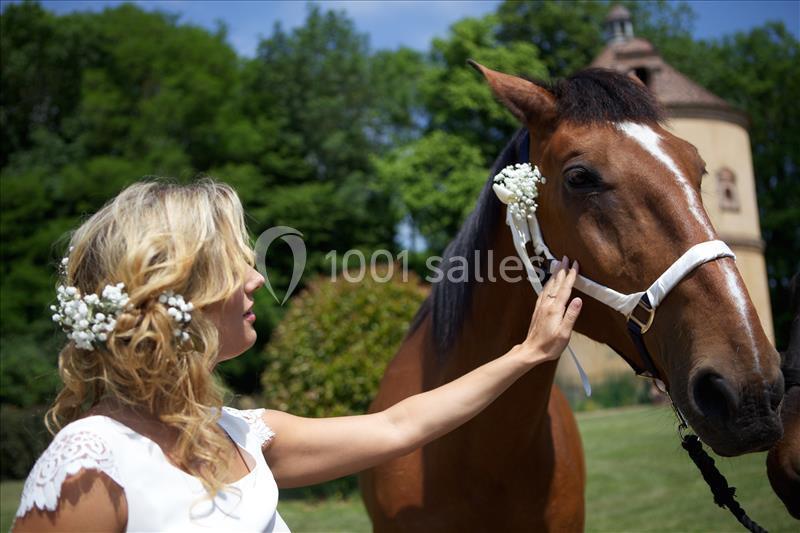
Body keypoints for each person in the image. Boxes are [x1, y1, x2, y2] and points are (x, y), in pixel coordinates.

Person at [12, 178, 582, 532]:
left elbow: (398, 426)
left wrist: (530, 353)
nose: (257, 280)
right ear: (178, 292)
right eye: (235, 264)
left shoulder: (238, 434)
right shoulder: (89, 466)